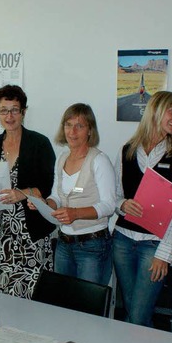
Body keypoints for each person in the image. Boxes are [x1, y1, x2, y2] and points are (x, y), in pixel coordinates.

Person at [113, 91, 172, 327]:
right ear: (156, 111)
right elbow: (115, 195)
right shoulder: (127, 149)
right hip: (123, 240)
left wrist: (164, 254)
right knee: (130, 308)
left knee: (138, 314)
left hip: (153, 244)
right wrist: (122, 204)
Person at [0, 85, 56, 299]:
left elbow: (47, 186)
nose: (9, 116)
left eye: (15, 109)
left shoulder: (39, 143)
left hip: (29, 234)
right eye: (4, 110)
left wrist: (23, 192)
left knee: (27, 297)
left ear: (23, 111)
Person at [41, 103, 116, 285]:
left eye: (79, 126)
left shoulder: (99, 160)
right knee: (63, 303)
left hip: (92, 246)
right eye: (68, 124)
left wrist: (75, 213)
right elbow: (56, 196)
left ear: (90, 130)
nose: (72, 131)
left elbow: (109, 206)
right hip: (63, 243)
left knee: (88, 306)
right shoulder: (61, 158)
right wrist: (44, 204)